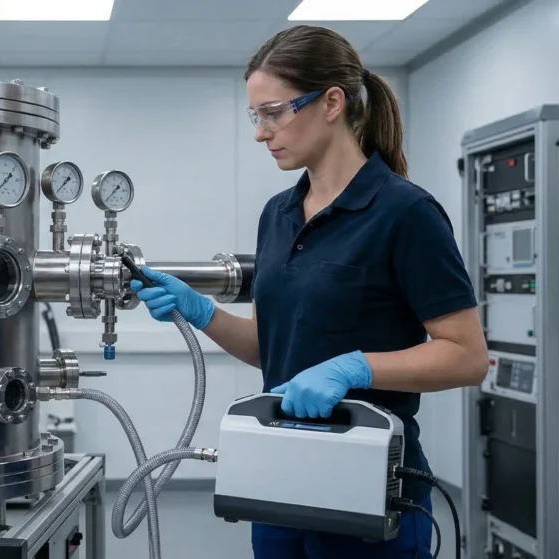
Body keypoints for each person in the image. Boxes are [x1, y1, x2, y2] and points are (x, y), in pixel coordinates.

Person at [129, 25, 489, 559]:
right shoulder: (277, 215)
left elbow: (467, 356)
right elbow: (274, 349)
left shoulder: (406, 213)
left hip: (369, 491)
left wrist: (356, 368)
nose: (260, 132)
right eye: (256, 116)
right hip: (279, 481)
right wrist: (202, 311)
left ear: (332, 103)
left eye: (273, 112)